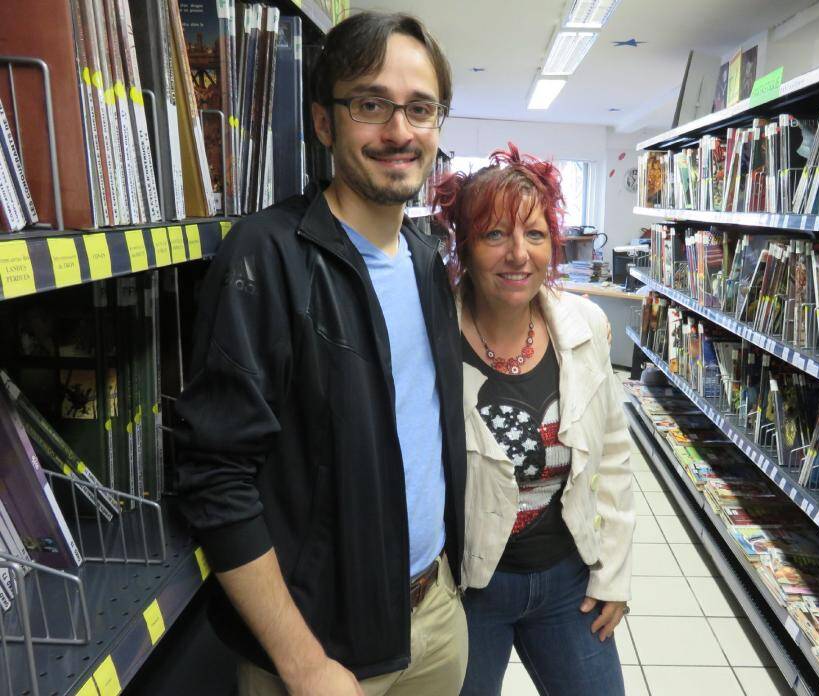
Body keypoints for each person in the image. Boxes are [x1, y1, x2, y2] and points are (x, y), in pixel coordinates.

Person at [175, 12, 467, 696]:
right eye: (371, 104)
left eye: (419, 109)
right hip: (319, 654)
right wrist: (303, 665)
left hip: (434, 615)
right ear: (324, 122)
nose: (399, 131)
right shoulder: (267, 256)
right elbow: (217, 480)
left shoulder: (427, 260)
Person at [432, 145, 635, 696]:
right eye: (495, 235)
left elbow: (612, 453)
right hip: (469, 589)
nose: (519, 254)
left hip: (569, 582)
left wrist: (613, 572)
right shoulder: (433, 342)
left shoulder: (585, 327)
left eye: (536, 234)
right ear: (464, 247)